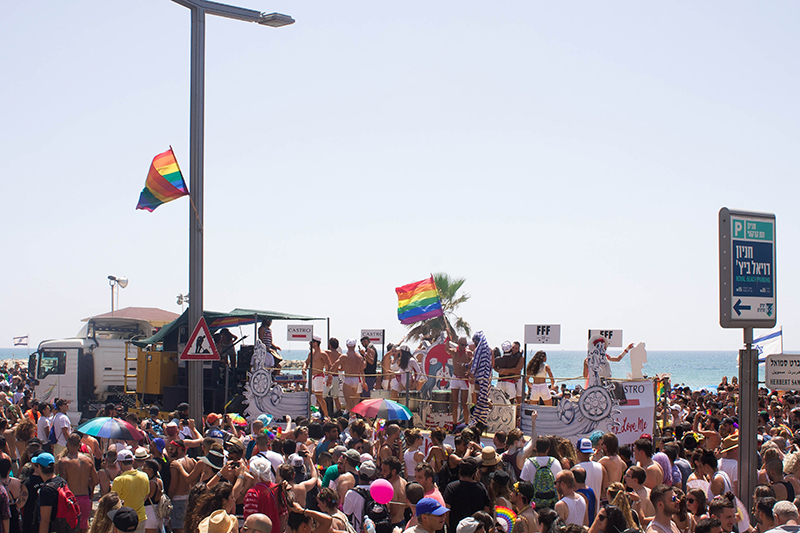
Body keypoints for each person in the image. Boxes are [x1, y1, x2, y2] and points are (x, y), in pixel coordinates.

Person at [56, 433, 98, 533]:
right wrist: (84, 482)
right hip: (85, 498)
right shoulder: (88, 460)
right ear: (79, 445)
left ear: (68, 445)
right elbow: (96, 481)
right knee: (84, 529)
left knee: (70, 528)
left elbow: (62, 481)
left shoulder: (64, 462)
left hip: (71, 499)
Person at [443, 457, 491, 533]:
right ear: (474, 473)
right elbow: (486, 511)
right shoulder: (481, 488)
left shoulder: (451, 487)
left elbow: (446, 512)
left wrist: (452, 528)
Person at [111, 449, 150, 533]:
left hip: (124, 520)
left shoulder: (119, 480)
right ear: (133, 461)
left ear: (120, 463)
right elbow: (145, 496)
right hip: (140, 517)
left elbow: (114, 502)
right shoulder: (144, 476)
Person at [33, 452, 69, 533]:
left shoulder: (46, 490)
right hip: (63, 527)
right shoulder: (62, 481)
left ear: (39, 467)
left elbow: (45, 521)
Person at [330, 340, 367, 411]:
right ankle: (352, 417)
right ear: (355, 346)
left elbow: (334, 365)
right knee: (353, 401)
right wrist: (364, 382)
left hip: (348, 380)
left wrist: (330, 373)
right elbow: (362, 371)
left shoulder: (344, 356)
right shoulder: (359, 357)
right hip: (356, 380)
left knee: (348, 401)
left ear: (347, 346)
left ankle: (355, 416)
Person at [494, 341, 524, 421]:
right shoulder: (515, 358)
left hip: (506, 381)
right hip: (510, 382)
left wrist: (502, 371)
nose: (514, 349)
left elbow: (494, 365)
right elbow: (516, 370)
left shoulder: (499, 359)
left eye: (516, 348)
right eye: (513, 348)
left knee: (501, 402)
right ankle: (512, 420)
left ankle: (505, 419)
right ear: (510, 348)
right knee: (511, 403)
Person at [305, 336, 332, 419]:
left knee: (319, 397)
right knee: (307, 393)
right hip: (311, 376)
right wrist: (303, 368)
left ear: (315, 343)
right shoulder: (311, 353)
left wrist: (329, 377)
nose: (310, 344)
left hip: (319, 376)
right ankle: (310, 412)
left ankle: (327, 416)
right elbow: (306, 362)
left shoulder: (322, 354)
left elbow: (329, 365)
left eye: (311, 342)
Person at [382, 456, 408, 529]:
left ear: (393, 471)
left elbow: (393, 511)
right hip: (402, 520)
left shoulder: (392, 488)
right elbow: (406, 504)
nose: (382, 472)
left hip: (394, 524)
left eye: (385, 471)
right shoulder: (404, 481)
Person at [141, 460, 163, 533]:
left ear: (151, 470)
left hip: (149, 513)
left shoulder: (151, 483)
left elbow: (145, 498)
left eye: (144, 467)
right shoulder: (159, 480)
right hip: (158, 511)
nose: (142, 469)